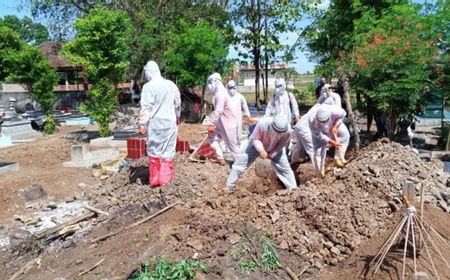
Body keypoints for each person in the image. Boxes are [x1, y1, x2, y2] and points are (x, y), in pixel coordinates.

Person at [225, 115, 298, 191]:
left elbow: (282, 144)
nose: (278, 133)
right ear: (272, 125)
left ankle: (294, 190)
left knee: (285, 169)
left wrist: (272, 154)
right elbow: (255, 139)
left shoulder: (287, 131)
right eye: (277, 131)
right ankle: (229, 186)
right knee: (240, 164)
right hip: (256, 144)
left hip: (275, 147)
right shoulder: (263, 124)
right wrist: (261, 150)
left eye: (280, 132)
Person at [138, 60, 181, 187]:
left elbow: (146, 107)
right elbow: (177, 103)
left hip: (155, 124)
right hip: (169, 122)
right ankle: (165, 181)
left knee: (154, 151)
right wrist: (177, 117)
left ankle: (155, 180)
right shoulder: (171, 85)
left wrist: (142, 125)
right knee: (168, 150)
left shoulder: (148, 87)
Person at [207, 73, 240, 164]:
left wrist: (211, 123)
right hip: (221, 124)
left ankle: (240, 166)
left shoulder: (221, 94)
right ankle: (220, 157)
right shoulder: (218, 94)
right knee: (211, 138)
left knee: (232, 146)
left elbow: (219, 111)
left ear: (216, 82)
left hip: (229, 124)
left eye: (210, 82)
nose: (209, 85)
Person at [309, 104, 349, 177]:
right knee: (318, 150)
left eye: (325, 121)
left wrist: (336, 126)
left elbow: (343, 114)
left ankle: (339, 158)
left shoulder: (335, 111)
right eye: (321, 121)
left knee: (345, 134)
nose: (323, 123)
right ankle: (319, 172)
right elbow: (319, 135)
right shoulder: (311, 119)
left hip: (332, 124)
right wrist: (332, 142)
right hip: (319, 131)